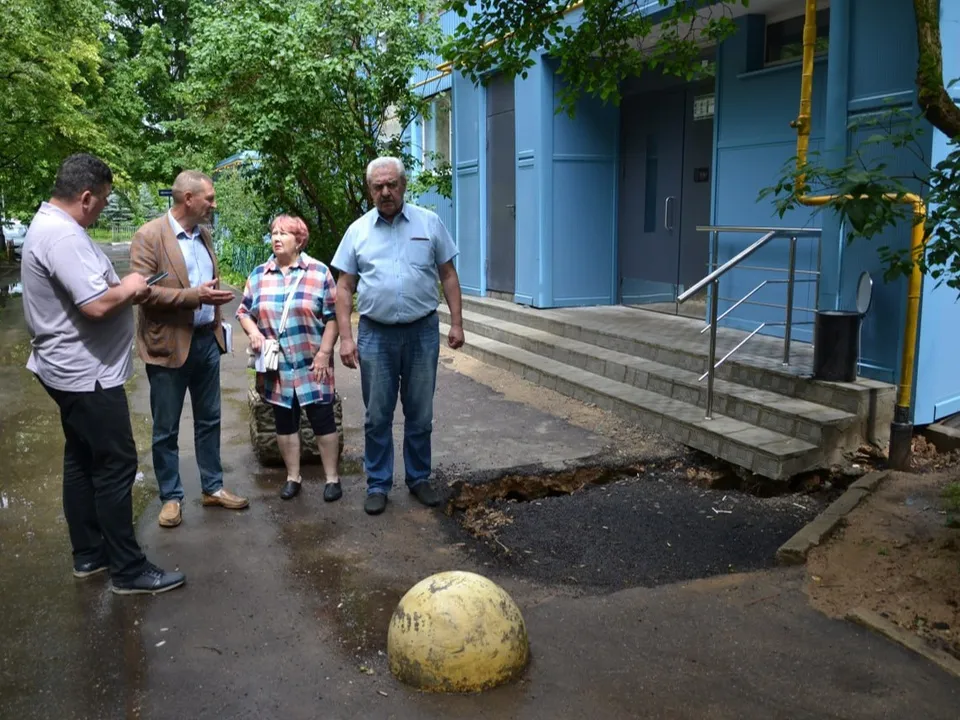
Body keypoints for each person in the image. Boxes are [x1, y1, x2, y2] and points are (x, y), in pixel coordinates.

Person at [20, 153, 185, 595]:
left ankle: (89, 554)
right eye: (104, 200)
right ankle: (128, 571)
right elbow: (94, 305)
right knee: (116, 464)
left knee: (81, 459)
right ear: (86, 197)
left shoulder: (51, 226)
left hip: (67, 370)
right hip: (85, 375)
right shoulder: (62, 237)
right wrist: (132, 287)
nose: (101, 209)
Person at [331, 157, 464, 516]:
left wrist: (456, 322)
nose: (385, 192)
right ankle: (377, 483)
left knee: (420, 413)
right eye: (378, 186)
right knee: (377, 414)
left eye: (391, 184)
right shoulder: (358, 231)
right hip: (376, 335)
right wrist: (346, 338)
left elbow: (448, 274)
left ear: (403, 185)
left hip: (422, 332)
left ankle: (419, 478)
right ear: (369, 189)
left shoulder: (429, 222)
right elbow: (344, 288)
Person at [129, 170, 247, 529]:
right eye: (209, 198)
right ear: (188, 200)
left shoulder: (203, 234)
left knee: (209, 420)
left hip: (206, 342)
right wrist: (195, 297)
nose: (214, 204)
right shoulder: (150, 236)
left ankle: (212, 487)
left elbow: (204, 283)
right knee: (166, 427)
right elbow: (142, 292)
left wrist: (211, 302)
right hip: (168, 345)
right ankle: (171, 497)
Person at [237, 215, 341, 500]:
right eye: (273, 232)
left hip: (313, 363)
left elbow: (333, 317)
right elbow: (244, 312)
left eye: (284, 233)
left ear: (300, 240)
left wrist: (325, 353)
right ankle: (293, 477)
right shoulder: (260, 274)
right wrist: (254, 333)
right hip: (277, 367)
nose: (276, 238)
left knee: (323, 420)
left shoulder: (319, 272)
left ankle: (332, 479)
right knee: (285, 422)